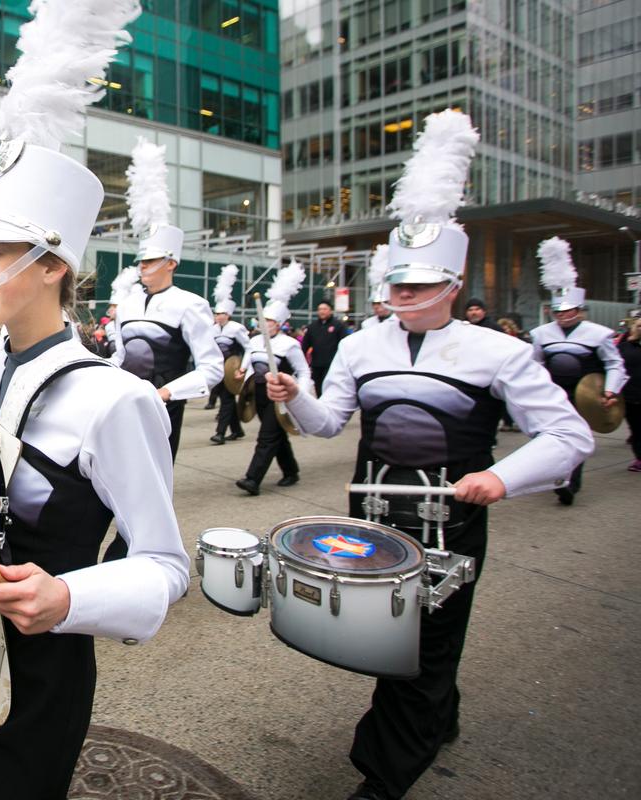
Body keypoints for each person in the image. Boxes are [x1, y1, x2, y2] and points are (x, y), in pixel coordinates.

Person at [265, 109, 594, 800]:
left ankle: (381, 778)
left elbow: (570, 437)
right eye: (398, 285)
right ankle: (439, 715)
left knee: (424, 650)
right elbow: (329, 426)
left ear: (453, 284)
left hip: (452, 522)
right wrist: (295, 396)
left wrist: (500, 479)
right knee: (397, 642)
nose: (404, 296)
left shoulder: (500, 351)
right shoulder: (360, 346)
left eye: (418, 286)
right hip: (374, 519)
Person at [0, 2, 186, 791]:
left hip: (48, 665)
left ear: (52, 265)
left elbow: (165, 565)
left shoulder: (116, 399)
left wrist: (68, 595)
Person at [112, 136, 223, 460]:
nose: (142, 267)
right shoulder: (128, 303)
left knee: (154, 478)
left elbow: (212, 368)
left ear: (171, 263)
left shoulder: (190, 304)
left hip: (163, 406)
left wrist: (167, 392)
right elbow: (120, 355)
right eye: (141, 261)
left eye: (150, 261)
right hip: (124, 403)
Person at [529, 236, 625, 505]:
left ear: (579, 310)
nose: (562, 316)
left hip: (585, 394)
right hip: (553, 392)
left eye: (567, 311)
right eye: (558, 312)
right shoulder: (541, 333)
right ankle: (556, 474)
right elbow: (535, 363)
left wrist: (610, 391)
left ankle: (570, 482)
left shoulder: (599, 334)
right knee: (550, 435)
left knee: (576, 435)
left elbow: (614, 363)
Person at [233, 261, 311, 495]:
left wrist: (300, 393)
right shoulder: (255, 341)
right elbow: (249, 359)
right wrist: (241, 373)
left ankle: (252, 479)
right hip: (258, 393)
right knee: (276, 435)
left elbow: (304, 371)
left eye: (269, 321)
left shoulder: (290, 344)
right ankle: (291, 471)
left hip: (280, 396)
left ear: (279, 324)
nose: (264, 324)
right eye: (262, 320)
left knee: (267, 436)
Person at [208, 265, 247, 444]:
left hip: (232, 370)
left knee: (227, 399)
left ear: (228, 314)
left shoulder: (237, 329)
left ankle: (220, 433)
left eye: (222, 313)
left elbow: (248, 348)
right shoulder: (212, 329)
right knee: (226, 399)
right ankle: (237, 430)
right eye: (216, 313)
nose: (219, 316)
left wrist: (243, 368)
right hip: (218, 369)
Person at [301, 299, 347, 395]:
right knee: (318, 388)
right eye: (320, 309)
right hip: (316, 364)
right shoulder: (312, 327)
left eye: (325, 309)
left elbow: (344, 344)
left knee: (329, 387)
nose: (322, 311)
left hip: (332, 364)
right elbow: (305, 345)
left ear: (330, 310)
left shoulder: (338, 325)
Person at [619, 316, 641, 472]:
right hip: (630, 395)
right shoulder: (624, 347)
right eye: (638, 326)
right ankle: (639, 458)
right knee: (636, 429)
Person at [361, 245, 396, 331]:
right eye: (374, 303)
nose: (376, 307)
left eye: (380, 303)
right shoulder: (367, 324)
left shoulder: (399, 322)